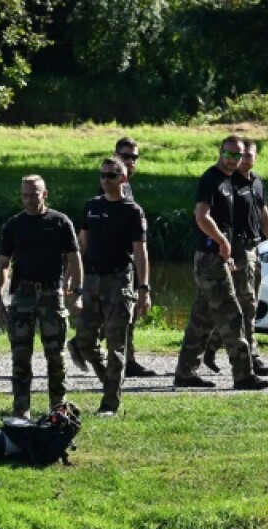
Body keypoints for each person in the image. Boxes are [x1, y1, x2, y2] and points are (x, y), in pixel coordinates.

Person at [172, 136, 268, 391]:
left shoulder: (230, 181)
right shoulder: (211, 179)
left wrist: (229, 254)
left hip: (220, 259)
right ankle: (244, 376)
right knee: (232, 315)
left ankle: (185, 373)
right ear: (220, 152)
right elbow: (201, 216)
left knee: (201, 319)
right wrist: (220, 242)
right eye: (230, 154)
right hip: (209, 258)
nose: (234, 160)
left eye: (238, 156)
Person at [0, 175, 84, 420]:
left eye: (34, 194)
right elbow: (3, 263)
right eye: (24, 195)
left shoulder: (60, 222)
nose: (29, 200)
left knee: (55, 354)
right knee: (20, 354)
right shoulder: (14, 225)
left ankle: (58, 407)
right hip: (22, 294)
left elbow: (75, 260)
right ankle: (21, 409)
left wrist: (77, 293)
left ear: (45, 194)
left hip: (51, 293)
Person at [68, 157, 151, 416]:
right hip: (91, 280)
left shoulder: (132, 211)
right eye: (102, 175)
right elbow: (81, 245)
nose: (105, 180)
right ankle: (110, 383)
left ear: (123, 179)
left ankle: (110, 404)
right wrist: (71, 278)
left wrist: (143, 289)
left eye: (112, 175)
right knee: (84, 341)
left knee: (117, 346)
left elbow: (140, 252)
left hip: (119, 281)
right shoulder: (91, 206)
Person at [203, 138, 268, 376]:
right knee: (244, 306)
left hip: (253, 248)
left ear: (256, 157)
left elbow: (263, 214)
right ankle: (251, 358)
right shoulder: (229, 182)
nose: (244, 160)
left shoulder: (256, 182)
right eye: (242, 155)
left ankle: (211, 345)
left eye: (249, 155)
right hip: (235, 249)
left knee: (248, 304)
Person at [113, 136, 158, 379]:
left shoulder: (126, 186)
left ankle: (125, 358)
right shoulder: (112, 184)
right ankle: (124, 361)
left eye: (134, 157)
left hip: (127, 260)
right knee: (121, 312)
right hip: (116, 263)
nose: (130, 161)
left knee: (123, 313)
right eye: (125, 156)